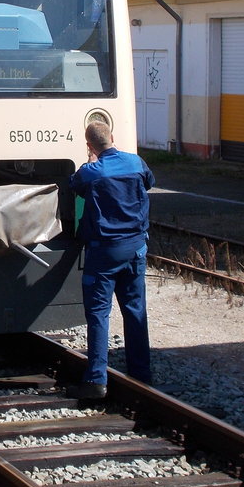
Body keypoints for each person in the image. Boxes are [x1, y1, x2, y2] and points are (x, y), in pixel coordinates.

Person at [64, 121, 155, 399]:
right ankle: (141, 376)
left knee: (99, 314)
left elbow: (73, 186)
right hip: (136, 248)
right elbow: (149, 183)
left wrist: (89, 162)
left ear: (89, 145)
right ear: (113, 138)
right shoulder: (136, 162)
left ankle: (95, 381)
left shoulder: (91, 172)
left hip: (104, 252)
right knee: (135, 311)